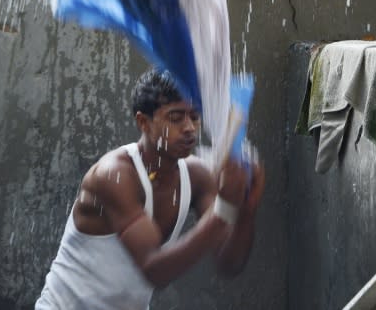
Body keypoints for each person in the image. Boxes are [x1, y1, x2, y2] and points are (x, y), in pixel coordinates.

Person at [36, 68, 265, 309]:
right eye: (175, 117)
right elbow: (154, 270)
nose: (189, 127)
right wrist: (224, 208)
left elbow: (228, 264)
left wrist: (245, 210)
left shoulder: (197, 176)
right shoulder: (113, 175)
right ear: (143, 122)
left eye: (194, 116)